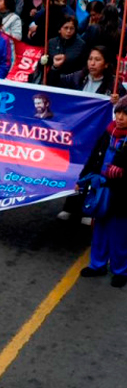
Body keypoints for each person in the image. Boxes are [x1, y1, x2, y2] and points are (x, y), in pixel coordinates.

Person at [78, 99, 127, 287]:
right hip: (102, 190)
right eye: (118, 113)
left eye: (125, 114)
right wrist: (83, 178)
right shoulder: (108, 132)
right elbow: (94, 156)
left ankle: (120, 270)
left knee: (119, 234)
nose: (120, 118)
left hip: (122, 194)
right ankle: (97, 265)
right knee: (99, 228)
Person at [48, 45, 125, 99]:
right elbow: (55, 85)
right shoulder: (77, 77)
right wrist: (55, 68)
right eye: (90, 59)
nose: (92, 63)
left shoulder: (114, 85)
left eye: (97, 60)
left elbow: (124, 105)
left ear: (106, 64)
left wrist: (118, 102)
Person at [34, 15, 86, 84]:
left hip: (71, 82)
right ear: (59, 30)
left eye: (72, 28)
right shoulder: (51, 42)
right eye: (66, 28)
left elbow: (83, 66)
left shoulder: (81, 45)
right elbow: (42, 65)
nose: (68, 31)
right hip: (52, 80)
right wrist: (42, 61)